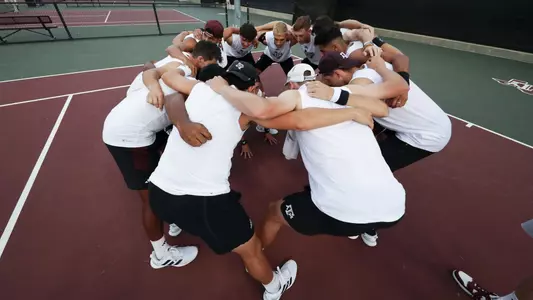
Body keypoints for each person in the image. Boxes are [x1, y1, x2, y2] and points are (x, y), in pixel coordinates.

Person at [150, 60, 377, 299]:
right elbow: (300, 119)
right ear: (250, 90)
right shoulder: (247, 111)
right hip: (206, 203)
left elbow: (168, 78)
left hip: (158, 190)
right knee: (252, 251)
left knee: (180, 212)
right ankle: (273, 286)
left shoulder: (198, 89)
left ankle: (170, 238)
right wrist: (349, 111)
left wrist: (182, 69)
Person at [205, 59, 407, 252]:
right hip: (395, 206)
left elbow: (265, 110)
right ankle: (367, 230)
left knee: (274, 212)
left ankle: (257, 253)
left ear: (292, 84)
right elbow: (383, 109)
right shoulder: (342, 92)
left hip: (342, 209)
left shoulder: (295, 96)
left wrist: (224, 89)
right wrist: (350, 111)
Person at [101, 41, 221, 269]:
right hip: (128, 138)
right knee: (150, 199)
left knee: (166, 165)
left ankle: (173, 216)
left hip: (131, 127)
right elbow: (173, 96)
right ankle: (161, 254)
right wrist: (182, 122)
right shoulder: (188, 79)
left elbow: (148, 66)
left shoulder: (179, 67)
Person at [307, 47, 452, 173]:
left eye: (329, 82)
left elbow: (382, 105)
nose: (331, 85)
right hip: (430, 120)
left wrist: (330, 93)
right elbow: (400, 57)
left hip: (426, 135)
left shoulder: (361, 82)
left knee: (371, 168)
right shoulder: (367, 63)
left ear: (338, 74)